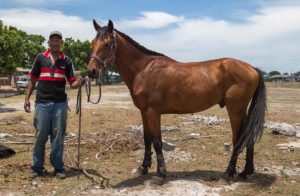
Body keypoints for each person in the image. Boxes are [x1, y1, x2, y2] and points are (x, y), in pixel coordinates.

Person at [24, 31, 84, 179]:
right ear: (49, 43)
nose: (55, 43)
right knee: (40, 136)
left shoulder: (67, 61)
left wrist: (82, 80)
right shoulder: (40, 58)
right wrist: (26, 99)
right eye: (53, 40)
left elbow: (73, 83)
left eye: (58, 40)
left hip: (60, 105)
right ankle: (37, 168)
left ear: (61, 43)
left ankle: (58, 168)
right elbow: (32, 80)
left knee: (58, 137)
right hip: (42, 104)